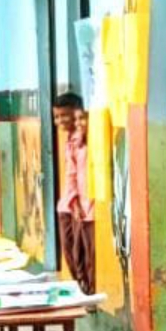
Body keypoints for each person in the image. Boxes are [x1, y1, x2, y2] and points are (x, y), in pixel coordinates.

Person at [54, 92, 96, 295]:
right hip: (68, 204)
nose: (60, 121)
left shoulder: (85, 141)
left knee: (82, 253)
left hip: (81, 205)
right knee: (70, 251)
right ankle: (80, 287)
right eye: (57, 117)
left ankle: (86, 290)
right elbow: (71, 175)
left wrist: (76, 202)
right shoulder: (71, 141)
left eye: (64, 115)